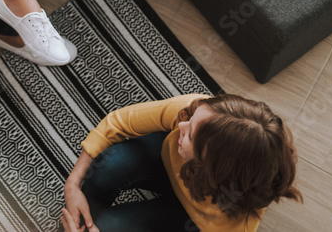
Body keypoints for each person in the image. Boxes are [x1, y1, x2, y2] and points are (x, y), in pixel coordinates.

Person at [60, 93, 303, 232]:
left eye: (190, 135)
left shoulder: (234, 225)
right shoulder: (194, 111)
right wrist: (73, 184)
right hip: (166, 165)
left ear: (213, 166)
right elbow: (118, 122)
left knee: (110, 225)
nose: (180, 126)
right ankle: (80, 216)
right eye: (190, 121)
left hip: (186, 218)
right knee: (113, 162)